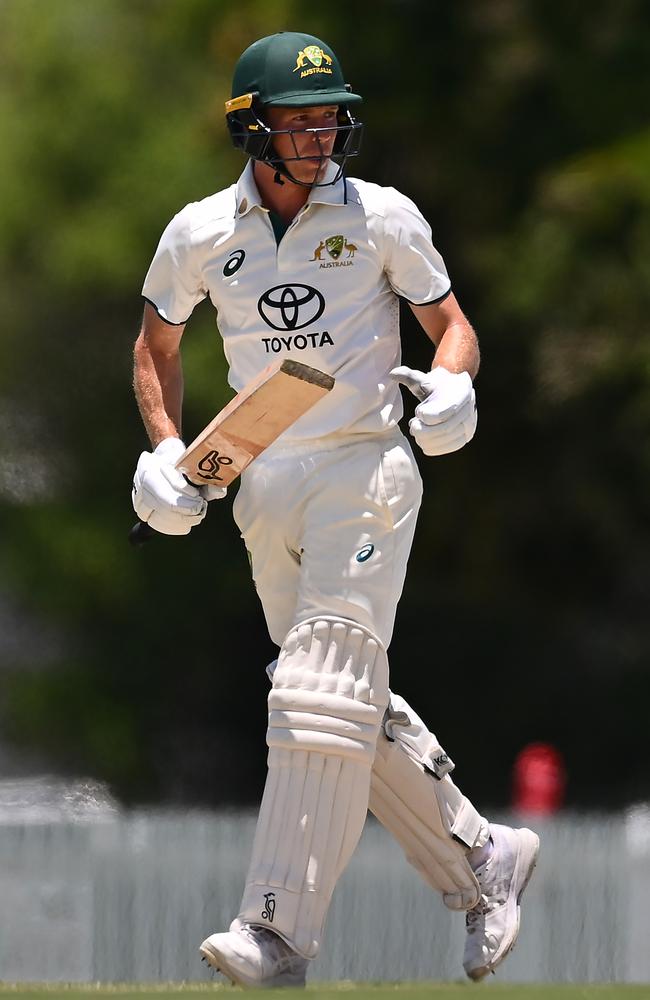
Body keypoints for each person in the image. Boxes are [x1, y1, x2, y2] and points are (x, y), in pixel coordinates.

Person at [131, 30, 539, 987]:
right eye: (300, 121)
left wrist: (450, 389)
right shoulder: (199, 233)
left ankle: (275, 930)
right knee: (333, 702)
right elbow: (155, 346)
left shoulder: (384, 216)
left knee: (316, 689)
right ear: (253, 128)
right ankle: (483, 860)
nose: (320, 137)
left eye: (330, 120)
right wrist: (161, 451)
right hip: (264, 479)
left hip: (366, 466)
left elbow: (453, 329)